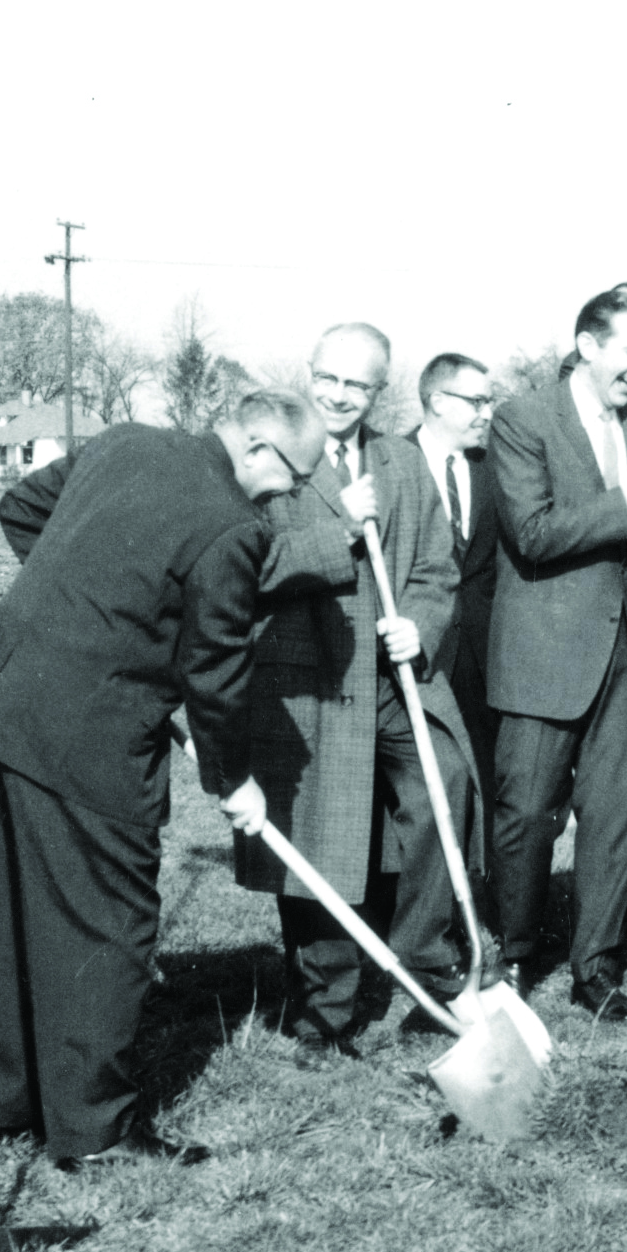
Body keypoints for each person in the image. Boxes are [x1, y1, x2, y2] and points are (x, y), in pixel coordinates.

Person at [0, 391, 320, 1167]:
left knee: (21, 910)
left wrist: (89, 610)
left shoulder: (125, 441)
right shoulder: (232, 527)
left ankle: (11, 1109)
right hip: (89, 732)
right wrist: (235, 780)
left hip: (2, 692)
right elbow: (215, 674)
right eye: (291, 478)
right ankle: (92, 1130)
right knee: (109, 924)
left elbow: (21, 511)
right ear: (255, 446)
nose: (288, 497)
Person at [234, 323, 474, 1051]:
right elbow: (255, 570)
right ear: (310, 374)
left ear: (380, 390)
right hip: (311, 686)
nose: (339, 395)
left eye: (357, 384)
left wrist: (422, 628)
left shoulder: (400, 461)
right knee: (326, 837)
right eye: (329, 378)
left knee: (446, 786)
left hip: (394, 682)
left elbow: (437, 568)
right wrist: (343, 529)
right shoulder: (275, 455)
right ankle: (323, 1010)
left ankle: (427, 962)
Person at [487, 284, 627, 1021]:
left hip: (625, 653)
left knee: (615, 815)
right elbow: (533, 534)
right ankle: (512, 954)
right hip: (544, 652)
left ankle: (596, 966)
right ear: (589, 344)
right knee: (525, 814)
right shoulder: (522, 418)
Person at [410, 352, 501, 808]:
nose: (487, 413)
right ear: (439, 400)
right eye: (477, 401)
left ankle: (479, 880)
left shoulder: (496, 465)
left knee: (486, 784)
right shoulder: (392, 462)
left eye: (490, 402)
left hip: (487, 659)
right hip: (421, 656)